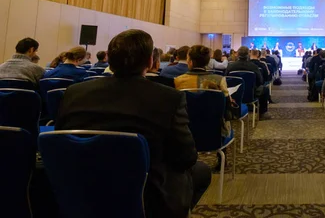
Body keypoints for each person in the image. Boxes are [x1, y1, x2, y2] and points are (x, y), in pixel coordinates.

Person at [55, 30, 211, 218]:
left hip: (80, 186)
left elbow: (61, 139)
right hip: (146, 194)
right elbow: (186, 157)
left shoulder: (74, 92)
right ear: (150, 62)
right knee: (201, 171)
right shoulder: (169, 98)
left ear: (109, 59)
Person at [225, 46, 270, 119]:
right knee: (265, 89)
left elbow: (225, 79)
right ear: (248, 55)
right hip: (251, 93)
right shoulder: (253, 66)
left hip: (233, 94)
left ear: (238, 54)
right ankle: (262, 113)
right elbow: (260, 81)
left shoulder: (231, 66)